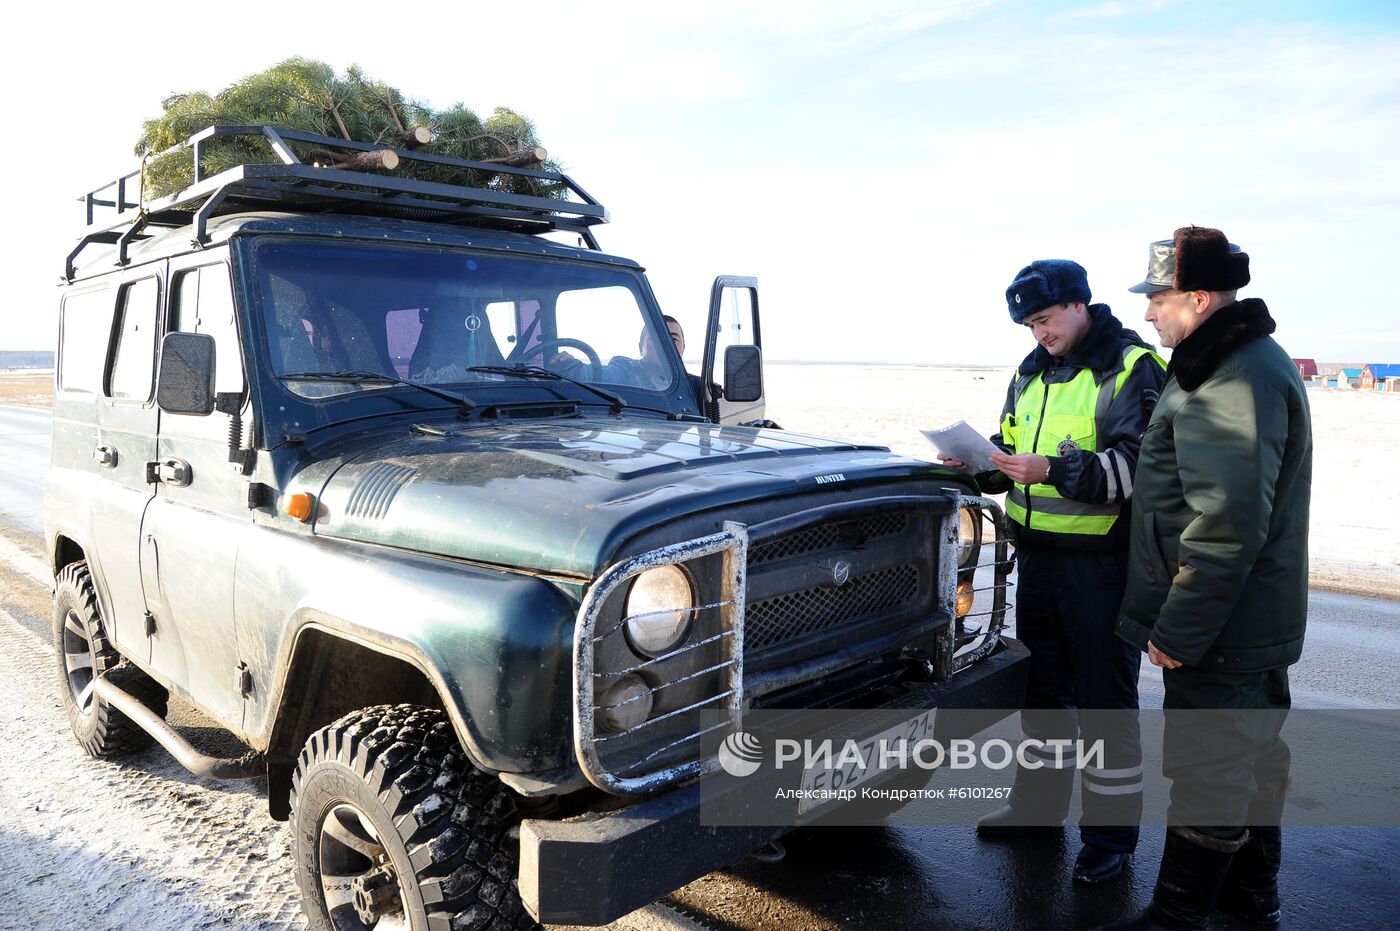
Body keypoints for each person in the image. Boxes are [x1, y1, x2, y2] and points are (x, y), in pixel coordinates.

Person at [1095, 227, 1311, 931]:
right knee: (1249, 755)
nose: (1148, 312)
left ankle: (1177, 918)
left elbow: (1225, 524)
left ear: (1196, 296)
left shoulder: (1234, 377)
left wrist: (1178, 626)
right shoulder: (1226, 363)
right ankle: (1248, 898)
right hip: (1246, 619)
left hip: (1223, 625)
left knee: (1211, 763)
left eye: (1157, 297)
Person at [941, 259, 1166, 884]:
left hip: (1103, 568)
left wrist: (1054, 471)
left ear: (1079, 304)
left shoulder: (1131, 367)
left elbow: (1141, 468)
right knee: (1043, 697)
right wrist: (980, 464)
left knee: (1104, 706)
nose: (1038, 334)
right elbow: (1015, 449)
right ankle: (1037, 809)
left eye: (1044, 320)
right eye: (1028, 325)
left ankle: (1110, 840)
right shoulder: (1030, 372)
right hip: (1037, 560)